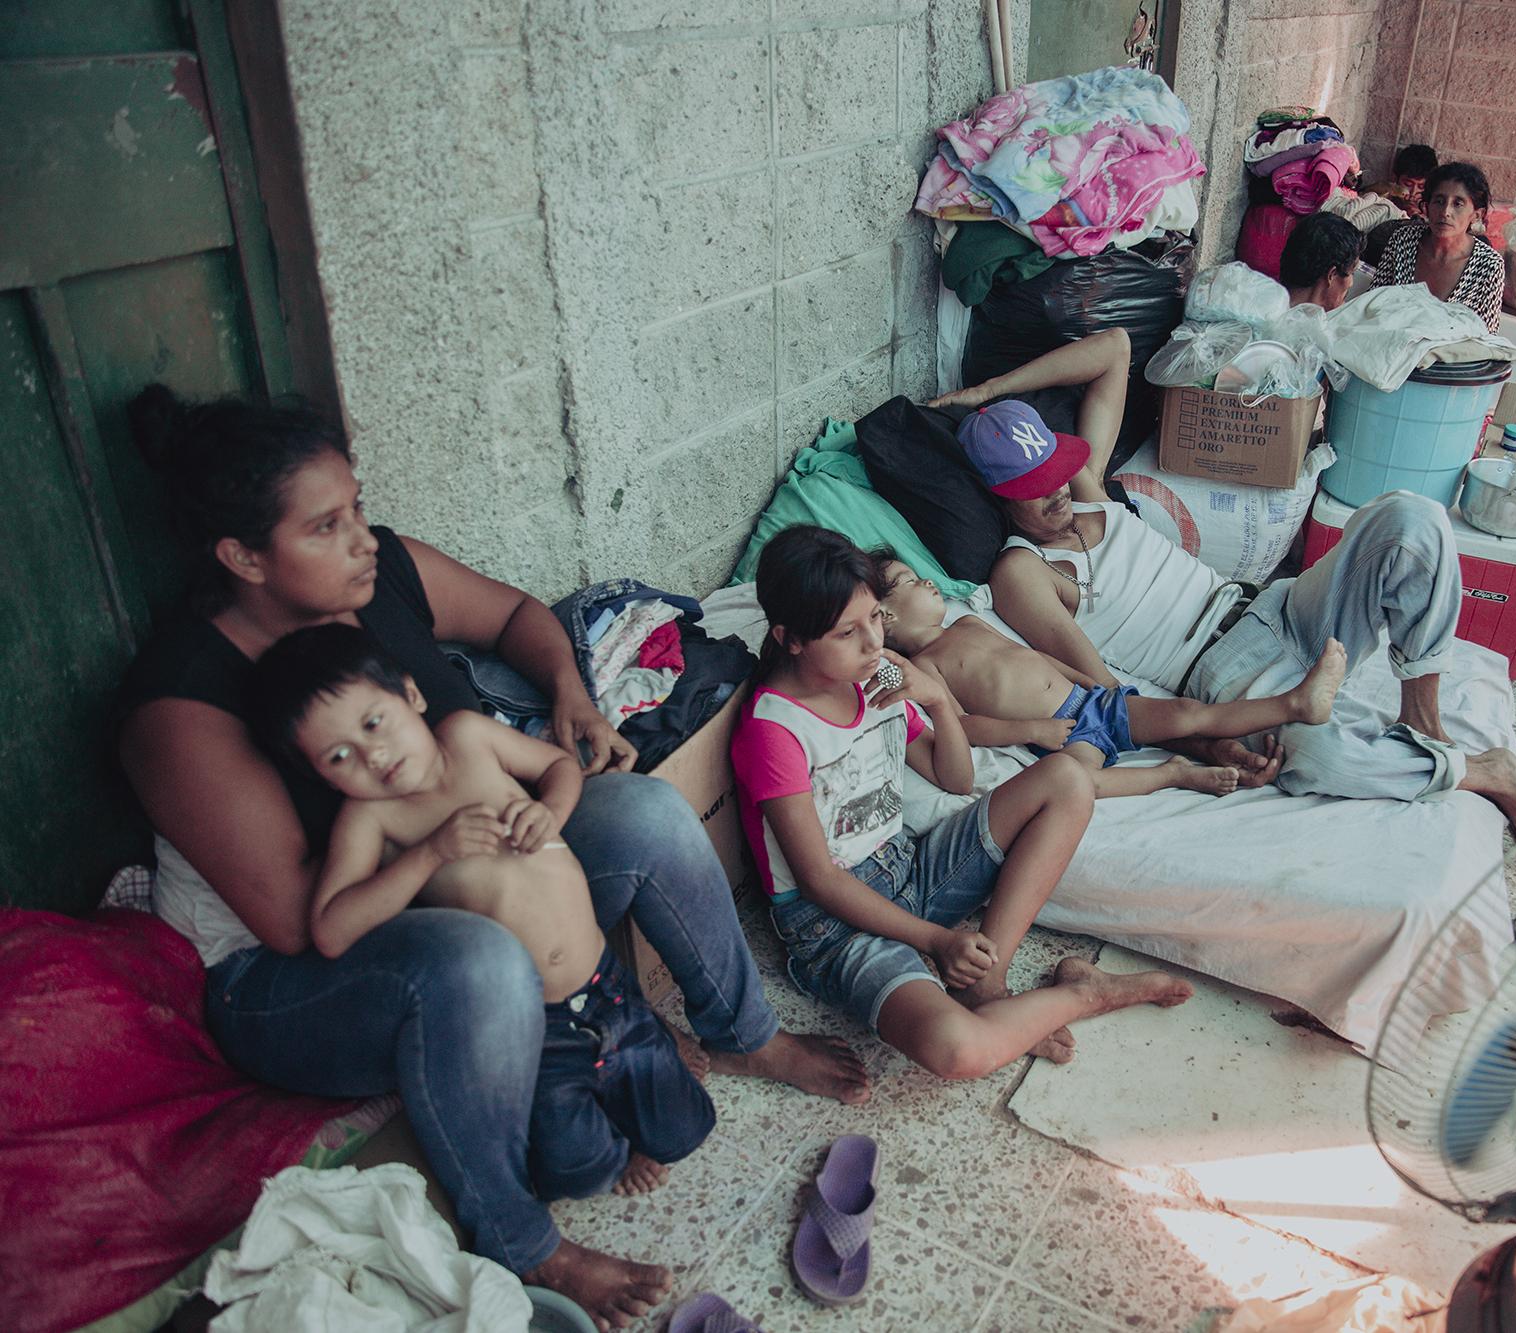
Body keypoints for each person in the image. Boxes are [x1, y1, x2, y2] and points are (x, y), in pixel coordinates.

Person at [116, 386, 867, 1329]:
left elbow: (516, 616)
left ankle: (746, 1031)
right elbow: (300, 922)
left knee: (639, 810)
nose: (361, 537)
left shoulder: (377, 573)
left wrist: (570, 696)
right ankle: (525, 1242)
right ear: (243, 557)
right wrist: (463, 857)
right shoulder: (185, 707)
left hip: (461, 865)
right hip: (303, 970)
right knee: (476, 957)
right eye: (326, 525)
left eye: (355, 507)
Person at [929, 331, 1516, 867]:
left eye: (1055, 470)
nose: (1058, 491)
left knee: (1411, 519)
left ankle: (1424, 721)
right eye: (1035, 487)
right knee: (1320, 756)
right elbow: (1099, 686)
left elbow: (1114, 350)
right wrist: (1204, 742)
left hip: (1275, 606)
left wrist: (985, 393)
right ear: (997, 497)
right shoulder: (1024, 571)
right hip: (1220, 671)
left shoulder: (1088, 487)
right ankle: (1485, 770)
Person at [248, 623, 714, 1201]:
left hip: (607, 983)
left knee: (678, 1124)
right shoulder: (372, 821)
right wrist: (428, 854)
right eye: (340, 756)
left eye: (374, 723)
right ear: (319, 775)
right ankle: (607, 1151)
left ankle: (639, 1127)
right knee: (580, 1167)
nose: (375, 756)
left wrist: (551, 810)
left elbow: (558, 767)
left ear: (411, 696)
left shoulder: (468, 738)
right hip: (536, 1031)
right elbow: (331, 929)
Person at [731, 526, 1194, 1079]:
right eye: (846, 632)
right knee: (958, 1050)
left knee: (1069, 778)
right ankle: (1085, 994)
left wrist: (937, 705)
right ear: (791, 639)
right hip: (836, 926)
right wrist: (938, 940)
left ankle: (986, 983)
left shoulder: (873, 677)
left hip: (909, 871)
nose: (873, 644)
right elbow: (819, 881)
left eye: (876, 618)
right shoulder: (774, 728)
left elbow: (953, 778)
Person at [874, 553, 1347, 798]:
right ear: (884, 617)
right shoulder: (925, 668)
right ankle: (1172, 776)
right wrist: (1032, 731)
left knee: (1187, 713)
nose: (927, 581)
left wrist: (1090, 681)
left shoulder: (968, 622)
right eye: (909, 582)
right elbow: (965, 727)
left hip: (1093, 703)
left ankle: (1296, 704)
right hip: (1060, 736)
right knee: (1085, 785)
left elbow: (1037, 657)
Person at [1373, 161, 1506, 332]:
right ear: (1427, 207)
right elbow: (1373, 304)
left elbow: (1486, 337)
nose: (1445, 212)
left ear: (1476, 215)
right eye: (1439, 201)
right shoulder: (1403, 241)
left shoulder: (1490, 265)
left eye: (1458, 203)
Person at [1278, 212, 1364, 311]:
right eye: (1352, 273)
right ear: (1332, 274)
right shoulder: (1329, 324)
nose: (1351, 283)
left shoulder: (1263, 306)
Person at [1382, 143, 1439, 217]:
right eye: (1408, 184)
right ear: (1395, 179)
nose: (1413, 193)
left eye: (1421, 187)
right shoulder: (1382, 204)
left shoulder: (1433, 216)